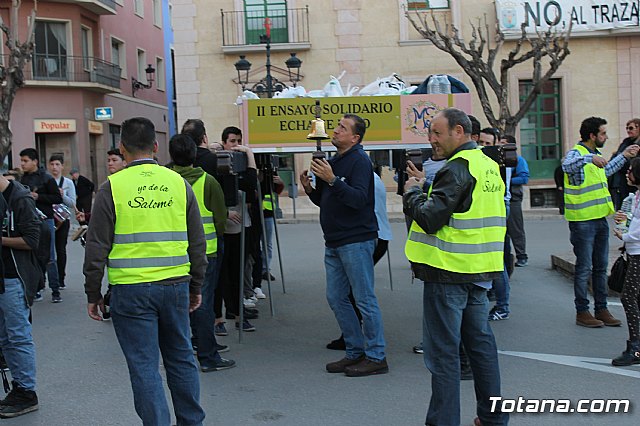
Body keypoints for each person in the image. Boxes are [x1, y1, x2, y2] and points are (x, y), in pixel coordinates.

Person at [83, 117, 207, 425]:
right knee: (181, 357)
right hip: (176, 284)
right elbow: (197, 242)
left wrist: (92, 292)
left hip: (131, 290)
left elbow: (96, 245)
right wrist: (196, 286)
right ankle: (192, 421)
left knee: (144, 366)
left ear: (122, 149)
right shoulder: (178, 183)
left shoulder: (112, 187)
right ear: (155, 146)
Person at [403, 108, 508, 426]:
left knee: (444, 354)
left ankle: (443, 421)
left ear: (459, 131)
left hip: (448, 273)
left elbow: (431, 218)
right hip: (479, 271)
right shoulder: (489, 165)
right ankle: (492, 419)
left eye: (437, 132)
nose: (432, 139)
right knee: (480, 346)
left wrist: (413, 192)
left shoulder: (457, 167)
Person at [301, 113, 388, 377]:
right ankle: (354, 351)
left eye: (342, 127)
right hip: (335, 241)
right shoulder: (336, 160)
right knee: (336, 297)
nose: (335, 130)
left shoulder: (360, 161)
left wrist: (331, 180)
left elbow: (359, 199)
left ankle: (376, 356)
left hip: (356, 240)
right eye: (337, 126)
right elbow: (328, 201)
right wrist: (310, 189)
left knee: (364, 299)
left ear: (355, 137)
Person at [563, 116, 639, 328]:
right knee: (584, 267)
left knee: (599, 267)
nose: (606, 137)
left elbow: (605, 171)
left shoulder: (595, 155)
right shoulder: (577, 154)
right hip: (582, 222)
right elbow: (566, 167)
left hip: (598, 221)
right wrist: (589, 159)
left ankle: (601, 309)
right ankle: (582, 311)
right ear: (592, 135)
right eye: (603, 133)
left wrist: (624, 156)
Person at [167, 133, 235, 372]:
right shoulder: (208, 182)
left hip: (173, 251)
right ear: (195, 155)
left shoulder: (165, 181)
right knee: (202, 303)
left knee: (178, 304)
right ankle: (208, 355)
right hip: (207, 251)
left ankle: (184, 350)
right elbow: (220, 219)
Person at [0, 174, 42, 418]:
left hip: (14, 278)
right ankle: (19, 389)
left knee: (18, 337)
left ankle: (27, 392)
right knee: (6, 339)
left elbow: (32, 240)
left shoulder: (20, 198)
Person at [19, 148, 63, 303]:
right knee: (33, 255)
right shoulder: (22, 179)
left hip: (46, 220)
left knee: (50, 256)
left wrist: (39, 196)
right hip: (29, 221)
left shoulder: (46, 178)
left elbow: (57, 198)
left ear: (35, 161)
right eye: (21, 161)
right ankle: (36, 287)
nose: (23, 164)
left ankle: (55, 290)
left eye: (25, 161)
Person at [612, 158, 640, 366]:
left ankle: (636, 347)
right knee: (633, 298)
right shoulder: (635, 196)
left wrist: (625, 237)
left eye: (630, 170)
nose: (627, 173)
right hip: (633, 251)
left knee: (628, 297)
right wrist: (624, 220)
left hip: (638, 252)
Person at [48, 154, 76, 290]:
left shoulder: (68, 183)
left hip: (63, 220)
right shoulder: (46, 181)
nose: (54, 167)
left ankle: (61, 278)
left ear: (62, 166)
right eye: (52, 164)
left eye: (57, 164)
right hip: (48, 218)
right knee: (48, 251)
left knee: (61, 249)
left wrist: (62, 195)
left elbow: (72, 203)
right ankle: (48, 279)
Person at [501, 134, 529, 267]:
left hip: (513, 199)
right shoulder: (498, 160)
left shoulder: (518, 160)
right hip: (500, 199)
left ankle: (522, 255)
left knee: (516, 229)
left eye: (504, 143)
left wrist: (507, 181)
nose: (501, 146)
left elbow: (524, 178)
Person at [609, 118, 640, 210]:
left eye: (631, 128)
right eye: (627, 128)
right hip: (621, 184)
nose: (628, 131)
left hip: (635, 184)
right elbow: (616, 160)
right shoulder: (625, 143)